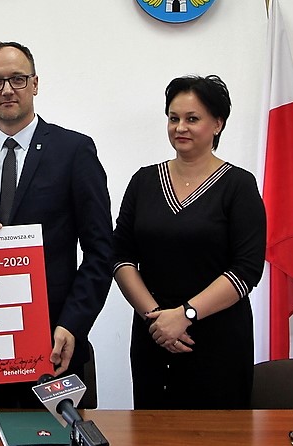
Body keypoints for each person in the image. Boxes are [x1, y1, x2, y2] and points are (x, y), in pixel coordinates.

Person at [0, 41, 113, 408]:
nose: (7, 89)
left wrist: (73, 323)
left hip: (55, 342)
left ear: (35, 84)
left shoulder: (74, 151)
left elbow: (101, 251)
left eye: (18, 79)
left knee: (60, 443)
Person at [112, 74, 266, 409]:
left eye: (192, 119)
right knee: (152, 434)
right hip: (154, 335)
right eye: (173, 118)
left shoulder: (238, 185)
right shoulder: (143, 181)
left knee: (218, 436)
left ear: (217, 124)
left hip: (218, 339)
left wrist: (186, 314)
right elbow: (120, 256)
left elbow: (247, 269)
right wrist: (156, 317)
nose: (180, 127)